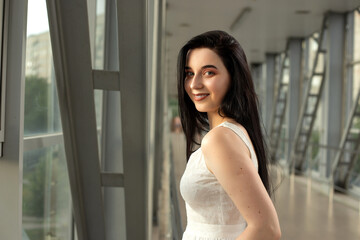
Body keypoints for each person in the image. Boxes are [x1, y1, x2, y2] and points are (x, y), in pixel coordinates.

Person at [178, 30, 281, 240]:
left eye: (208, 73)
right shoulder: (231, 134)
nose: (194, 84)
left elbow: (266, 229)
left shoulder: (220, 140)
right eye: (189, 73)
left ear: (233, 78)